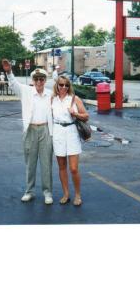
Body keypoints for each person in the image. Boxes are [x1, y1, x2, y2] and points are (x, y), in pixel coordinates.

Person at [2, 58, 54, 204]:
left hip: (45, 130)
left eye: (41, 79)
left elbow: (64, 98)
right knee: (30, 163)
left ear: (45, 80)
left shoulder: (50, 94)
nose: (39, 82)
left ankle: (47, 193)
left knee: (46, 163)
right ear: (33, 80)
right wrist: (9, 72)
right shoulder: (26, 91)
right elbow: (13, 84)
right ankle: (29, 191)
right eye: (36, 79)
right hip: (30, 129)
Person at [51, 75, 89, 206]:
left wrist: (75, 114)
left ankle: (78, 195)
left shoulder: (74, 98)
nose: (64, 87)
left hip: (72, 132)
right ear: (56, 85)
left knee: (73, 168)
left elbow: (86, 116)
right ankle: (66, 194)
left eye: (66, 85)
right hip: (58, 132)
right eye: (61, 85)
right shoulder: (52, 100)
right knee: (62, 167)